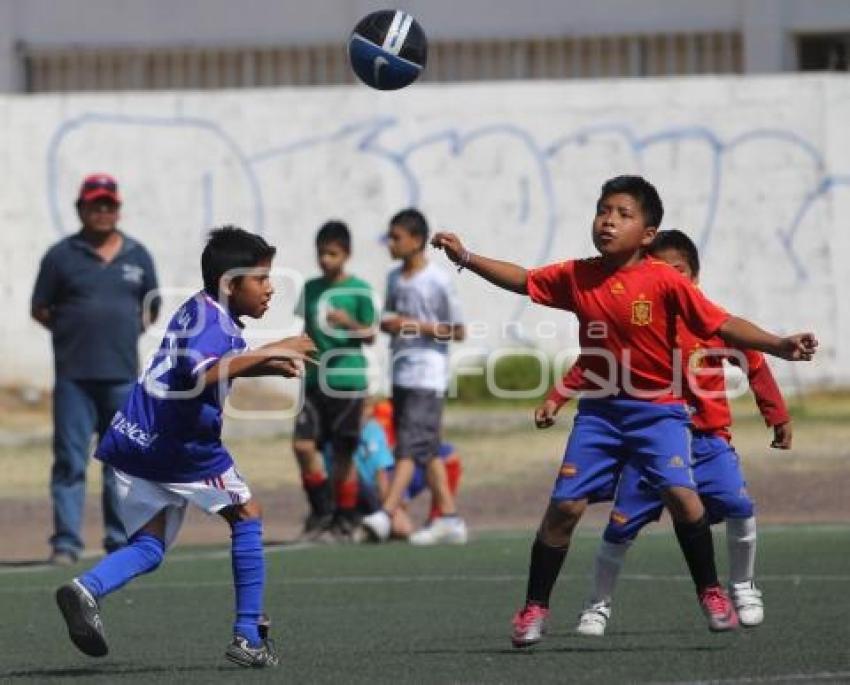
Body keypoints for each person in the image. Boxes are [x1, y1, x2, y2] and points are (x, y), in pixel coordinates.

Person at [430, 175, 817, 645]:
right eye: (603, 211)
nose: (608, 221)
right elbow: (525, 279)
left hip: (660, 412)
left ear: (648, 234)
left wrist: (778, 343)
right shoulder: (578, 276)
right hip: (600, 415)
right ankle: (534, 607)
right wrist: (467, 258)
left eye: (623, 214)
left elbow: (724, 323)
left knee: (682, 497)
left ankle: (712, 592)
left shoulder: (665, 280)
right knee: (564, 508)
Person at [54, 226, 316, 668]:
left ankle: (86, 590)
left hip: (135, 438)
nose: (270, 289)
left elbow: (198, 370)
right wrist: (271, 349)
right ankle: (248, 635)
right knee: (247, 515)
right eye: (261, 278)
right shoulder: (213, 324)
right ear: (230, 284)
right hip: (180, 449)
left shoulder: (199, 309)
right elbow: (199, 376)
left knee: (150, 547)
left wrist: (260, 365)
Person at [535, 229, 791, 636]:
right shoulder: (640, 323)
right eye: (662, 270)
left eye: (680, 272)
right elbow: (592, 363)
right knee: (620, 528)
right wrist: (557, 396)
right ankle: (597, 605)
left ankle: (743, 586)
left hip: (707, 441)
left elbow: (754, 363)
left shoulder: (711, 324)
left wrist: (777, 415)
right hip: (651, 443)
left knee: (739, 505)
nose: (671, 279)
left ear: (694, 278)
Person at [31, 173, 160, 565]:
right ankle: (67, 542)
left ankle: (117, 541)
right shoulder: (60, 255)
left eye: (110, 205)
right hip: (74, 378)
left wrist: (125, 329)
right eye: (95, 205)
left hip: (121, 375)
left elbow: (151, 305)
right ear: (81, 209)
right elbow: (40, 308)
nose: (103, 212)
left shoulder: (138, 255)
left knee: (119, 463)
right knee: (70, 461)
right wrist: (74, 333)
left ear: (118, 209)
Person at [361, 209, 468, 546]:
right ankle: (449, 518)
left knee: (408, 447)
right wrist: (388, 323)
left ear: (417, 240)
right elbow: (391, 318)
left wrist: (412, 325)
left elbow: (458, 330)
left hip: (428, 375)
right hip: (401, 372)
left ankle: (386, 512)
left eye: (397, 237)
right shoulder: (394, 278)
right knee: (427, 448)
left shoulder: (437, 280)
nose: (391, 244)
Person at [292, 221, 377, 540]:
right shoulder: (310, 289)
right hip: (314, 381)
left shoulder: (360, 290)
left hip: (347, 380)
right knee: (303, 446)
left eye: (333, 253)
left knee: (343, 453)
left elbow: (370, 334)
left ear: (347, 254)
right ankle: (320, 510)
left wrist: (349, 322)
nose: (326, 260)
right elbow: (305, 331)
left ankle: (345, 516)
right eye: (321, 253)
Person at [336, 399, 462, 540]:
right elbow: (380, 470)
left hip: (398, 470)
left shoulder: (411, 402)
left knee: (446, 454)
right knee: (402, 528)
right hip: (381, 481)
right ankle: (376, 515)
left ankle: (439, 517)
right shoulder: (371, 420)